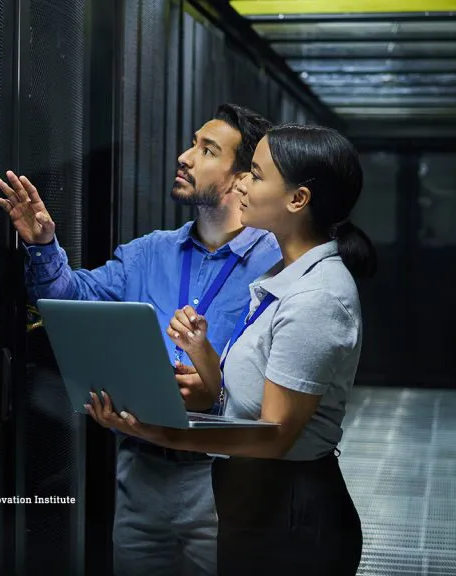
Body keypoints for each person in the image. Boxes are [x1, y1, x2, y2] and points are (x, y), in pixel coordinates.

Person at [0, 103, 280, 576]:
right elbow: (73, 298)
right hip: (140, 468)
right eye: (192, 143)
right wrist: (44, 245)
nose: (185, 157)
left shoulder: (274, 263)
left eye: (207, 150)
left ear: (243, 177)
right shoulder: (150, 252)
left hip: (224, 477)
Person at [85, 123, 375, 576]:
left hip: (291, 517)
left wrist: (155, 432)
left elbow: (273, 436)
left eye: (256, 175)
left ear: (297, 200)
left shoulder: (316, 297)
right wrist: (200, 353)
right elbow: (242, 403)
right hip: (258, 506)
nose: (243, 183)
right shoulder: (285, 276)